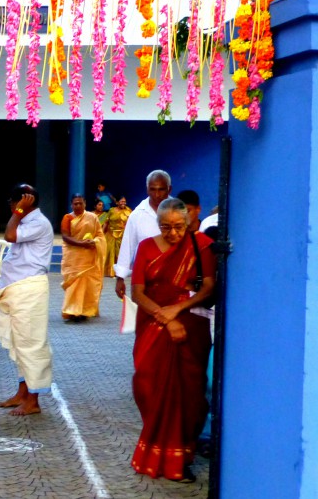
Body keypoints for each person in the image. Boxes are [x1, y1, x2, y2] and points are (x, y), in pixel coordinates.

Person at [130, 198, 215, 483]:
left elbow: (208, 288)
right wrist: (165, 317)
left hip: (190, 326)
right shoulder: (146, 247)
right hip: (153, 325)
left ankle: (183, 457)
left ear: (188, 221)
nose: (173, 234)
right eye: (166, 227)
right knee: (147, 384)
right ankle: (154, 450)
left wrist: (176, 311)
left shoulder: (201, 245)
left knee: (189, 393)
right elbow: (138, 293)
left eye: (178, 227)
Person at [0, 184, 54, 416]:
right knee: (18, 343)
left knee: (31, 344)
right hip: (17, 290)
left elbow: (9, 236)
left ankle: (33, 401)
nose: (11, 207)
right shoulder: (26, 220)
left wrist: (18, 213)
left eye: (12, 203)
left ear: (21, 202)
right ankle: (22, 393)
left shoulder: (37, 222)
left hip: (30, 291)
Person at [115, 170, 172, 300]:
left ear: (169, 189)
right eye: (152, 189)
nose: (157, 194)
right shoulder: (137, 215)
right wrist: (120, 278)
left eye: (161, 190)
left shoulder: (178, 211)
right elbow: (128, 245)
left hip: (174, 277)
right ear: (147, 189)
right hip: (145, 280)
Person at [60, 193, 106, 322]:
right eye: (75, 203)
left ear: (85, 203)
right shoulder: (67, 217)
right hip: (73, 256)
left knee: (88, 283)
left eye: (81, 203)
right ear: (71, 204)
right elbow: (65, 237)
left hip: (89, 256)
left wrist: (95, 242)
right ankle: (72, 311)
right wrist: (81, 244)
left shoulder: (92, 217)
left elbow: (100, 234)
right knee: (75, 283)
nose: (78, 206)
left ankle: (85, 310)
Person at [102, 196, 131, 277]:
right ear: (117, 202)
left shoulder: (128, 211)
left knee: (121, 253)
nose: (123, 203)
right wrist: (102, 233)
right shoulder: (111, 210)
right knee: (110, 253)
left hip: (123, 235)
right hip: (111, 235)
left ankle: (121, 271)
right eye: (121, 201)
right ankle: (111, 271)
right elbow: (106, 222)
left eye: (124, 201)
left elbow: (131, 224)